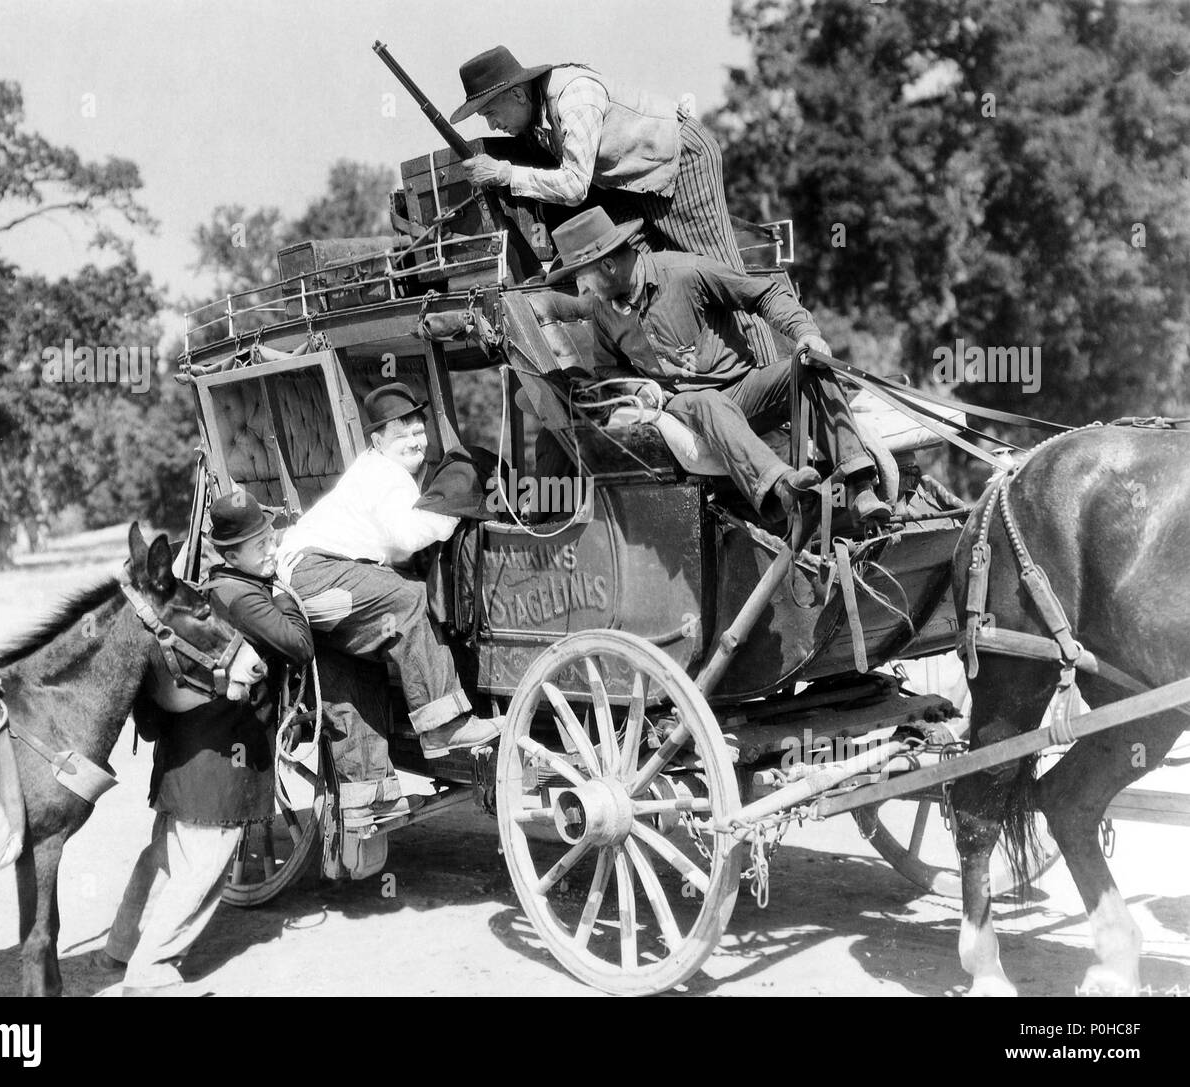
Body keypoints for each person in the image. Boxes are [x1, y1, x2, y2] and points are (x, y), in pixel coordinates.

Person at [542, 207, 890, 527]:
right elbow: (607, 370)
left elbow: (763, 294)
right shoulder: (603, 311)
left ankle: (861, 488)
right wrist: (637, 388)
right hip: (685, 405)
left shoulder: (686, 272)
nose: (579, 288)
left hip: (744, 391)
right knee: (707, 401)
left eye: (581, 276)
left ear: (607, 266)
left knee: (807, 366)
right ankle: (786, 489)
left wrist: (806, 333)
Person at [96, 492, 312, 996]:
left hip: (184, 749)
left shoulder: (206, 591)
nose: (271, 545)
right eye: (260, 543)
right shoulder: (247, 596)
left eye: (269, 536)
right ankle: (149, 970)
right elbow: (299, 644)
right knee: (207, 863)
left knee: (166, 853)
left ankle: (123, 945)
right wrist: (283, 591)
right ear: (230, 554)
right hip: (221, 750)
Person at [450, 45, 773, 359]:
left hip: (677, 161)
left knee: (721, 277)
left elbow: (575, 185)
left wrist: (506, 175)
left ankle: (773, 380)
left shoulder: (574, 97)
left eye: (491, 113)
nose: (492, 126)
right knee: (626, 279)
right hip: (627, 184)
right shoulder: (536, 113)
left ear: (519, 94)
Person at [277, 383, 503, 762]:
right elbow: (408, 535)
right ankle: (442, 726)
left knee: (357, 670)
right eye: (403, 436)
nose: (416, 442)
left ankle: (368, 795)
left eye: (419, 432)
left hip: (307, 582)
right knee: (412, 600)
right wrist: (455, 511)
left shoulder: (381, 468)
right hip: (317, 573)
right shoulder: (385, 474)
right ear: (378, 441)